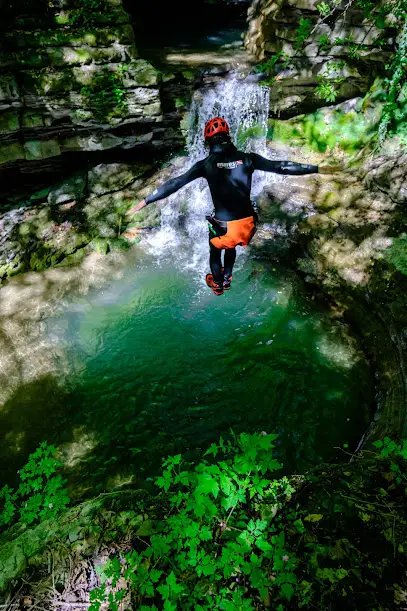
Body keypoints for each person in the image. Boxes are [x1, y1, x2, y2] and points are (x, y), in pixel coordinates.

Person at [126, 117, 337, 296]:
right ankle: (228, 275)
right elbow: (281, 166)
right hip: (248, 228)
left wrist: (145, 201)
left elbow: (175, 183)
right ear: (228, 137)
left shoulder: (205, 165)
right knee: (234, 237)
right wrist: (317, 168)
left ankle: (218, 284)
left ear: (208, 141)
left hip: (225, 230)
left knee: (215, 246)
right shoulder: (247, 159)